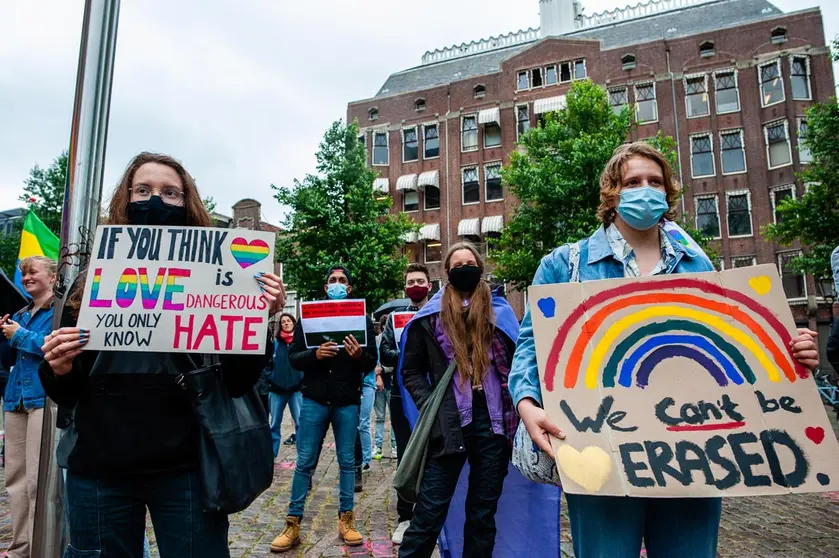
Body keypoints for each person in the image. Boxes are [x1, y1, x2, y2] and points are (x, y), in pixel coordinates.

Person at [509, 142, 821, 558]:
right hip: (600, 447)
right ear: (611, 193)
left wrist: (790, 353)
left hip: (694, 451)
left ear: (668, 192)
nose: (645, 189)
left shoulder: (699, 266)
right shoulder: (564, 264)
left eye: (654, 181)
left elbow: (734, 347)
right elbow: (532, 344)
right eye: (633, 181)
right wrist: (527, 403)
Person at [38, 152, 285, 558]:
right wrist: (59, 366)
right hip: (100, 467)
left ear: (188, 203)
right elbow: (66, 389)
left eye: (170, 193)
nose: (156, 201)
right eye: (143, 191)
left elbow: (239, 382)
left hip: (186, 469)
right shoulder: (91, 281)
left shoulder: (222, 279)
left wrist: (256, 322)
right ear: (125, 199)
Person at [398, 244, 517, 558]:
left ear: (480, 268)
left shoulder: (500, 312)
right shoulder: (430, 318)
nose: (464, 268)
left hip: (495, 427)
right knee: (428, 513)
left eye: (470, 262)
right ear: (447, 273)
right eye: (457, 264)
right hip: (448, 425)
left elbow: (520, 364)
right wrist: (429, 406)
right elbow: (411, 370)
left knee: (482, 515)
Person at [270, 265, 377, 552]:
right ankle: (292, 524)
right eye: (333, 280)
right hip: (314, 399)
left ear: (350, 289)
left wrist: (359, 356)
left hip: (346, 400)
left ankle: (346, 520)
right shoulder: (308, 317)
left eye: (343, 280)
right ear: (325, 287)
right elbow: (294, 358)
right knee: (304, 462)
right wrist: (315, 354)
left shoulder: (362, 319)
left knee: (346, 462)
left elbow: (371, 361)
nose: (337, 284)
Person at [0, 255, 56, 558]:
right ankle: (20, 548)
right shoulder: (20, 314)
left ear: (52, 277)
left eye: (33, 272)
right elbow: (8, 360)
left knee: (36, 479)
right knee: (15, 479)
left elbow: (52, 345)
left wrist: (19, 336)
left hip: (41, 397)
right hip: (15, 399)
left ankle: (40, 547)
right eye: (23, 274)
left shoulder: (59, 311)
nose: (26, 277)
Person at [379, 263, 432, 544]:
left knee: (434, 454)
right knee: (405, 454)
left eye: (420, 281)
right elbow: (385, 353)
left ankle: (429, 513)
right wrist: (404, 353)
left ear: (429, 285)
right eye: (411, 281)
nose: (415, 285)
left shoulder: (439, 314)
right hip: (401, 396)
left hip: (432, 396)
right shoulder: (393, 319)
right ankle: (405, 516)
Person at [269, 313, 303, 456]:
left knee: (300, 423)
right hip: (277, 390)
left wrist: (301, 379)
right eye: (283, 322)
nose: (286, 323)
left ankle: (303, 456)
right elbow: (268, 364)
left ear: (294, 323)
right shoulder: (275, 344)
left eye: (289, 321)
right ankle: (272, 454)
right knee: (274, 424)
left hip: (296, 390)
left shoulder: (300, 343)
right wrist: (271, 378)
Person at [373, 313, 396, 461]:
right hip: (380, 382)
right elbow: (375, 360)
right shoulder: (377, 340)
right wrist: (378, 375)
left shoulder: (395, 339)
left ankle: (394, 446)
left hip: (392, 381)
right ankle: (379, 446)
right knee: (380, 416)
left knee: (394, 417)